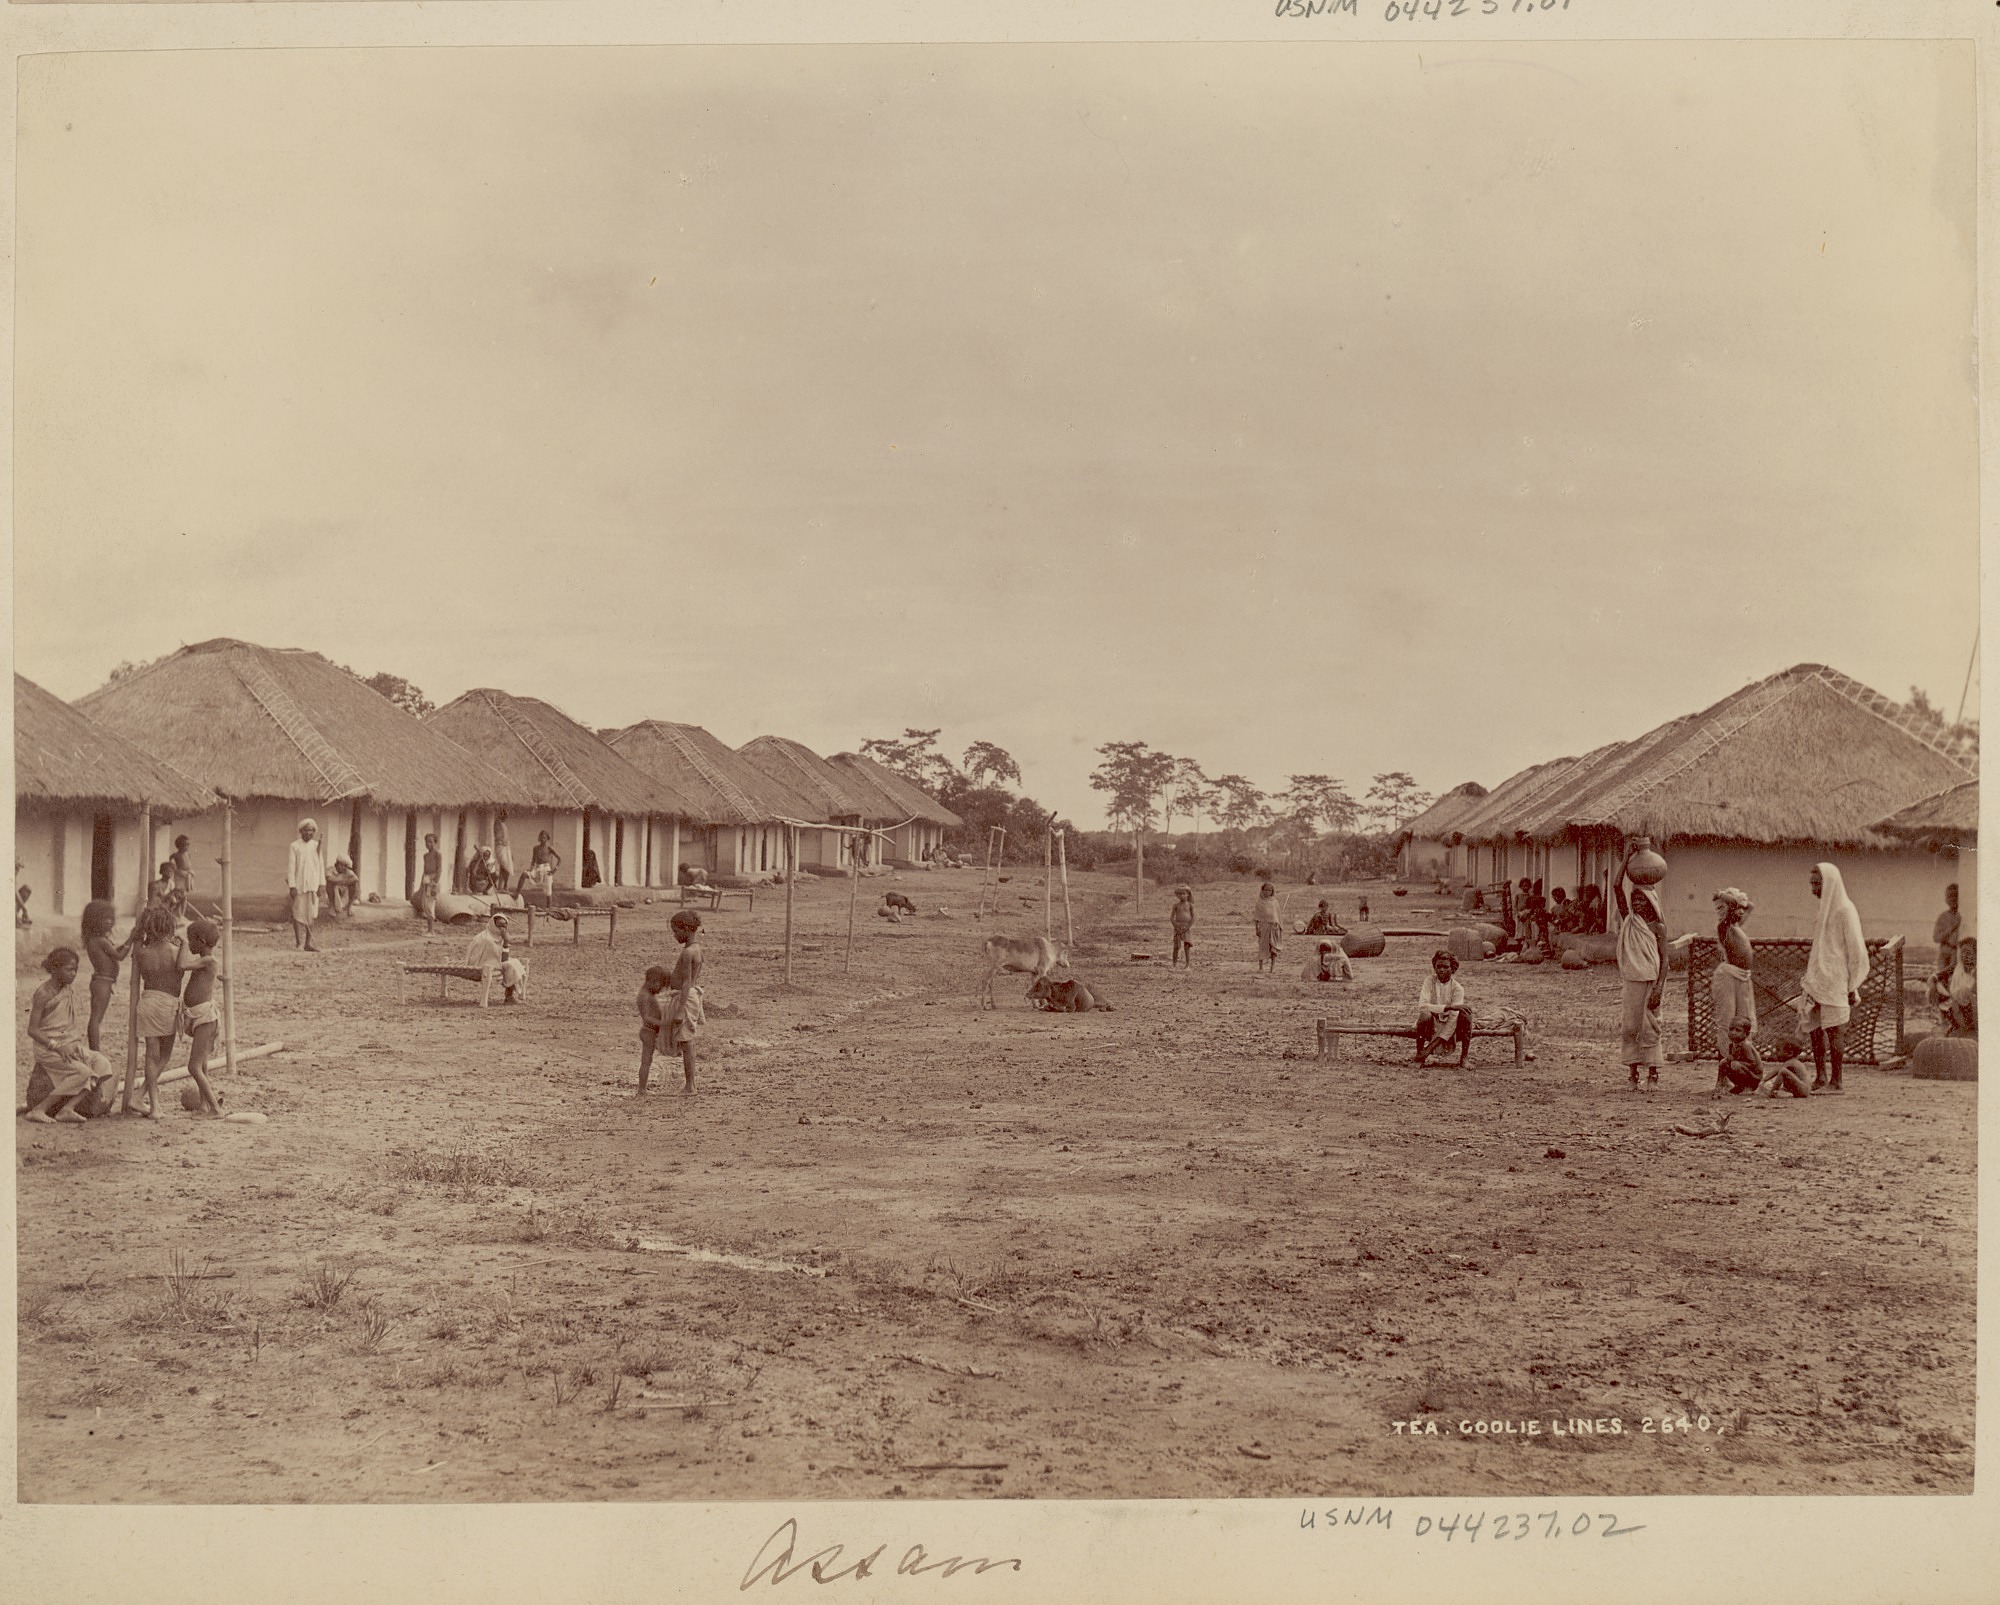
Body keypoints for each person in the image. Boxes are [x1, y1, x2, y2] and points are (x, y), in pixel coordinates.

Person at [21, 948, 114, 1124]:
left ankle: (67, 1109)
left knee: (102, 1064)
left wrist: (72, 1045)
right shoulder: (43, 993)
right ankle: (39, 1109)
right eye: (69, 969)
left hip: (70, 1046)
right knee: (84, 1073)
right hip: (48, 1048)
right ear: (55, 969)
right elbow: (32, 1030)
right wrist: (57, 1046)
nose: (73, 974)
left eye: (75, 970)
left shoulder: (66, 988)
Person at [1801, 861, 1868, 1094]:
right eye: (1811, 884)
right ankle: (1820, 1076)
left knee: (1834, 1030)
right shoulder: (1824, 909)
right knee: (1815, 1029)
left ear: (1829, 883)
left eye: (1817, 884)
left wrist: (1853, 984)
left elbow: (1856, 950)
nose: (1813, 889)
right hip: (1817, 978)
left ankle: (1836, 1081)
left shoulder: (1845, 910)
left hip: (1836, 980)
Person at [1614, 844, 1668, 1091]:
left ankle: (1653, 1074)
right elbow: (1616, 886)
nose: (1637, 903)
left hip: (1651, 981)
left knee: (1651, 1026)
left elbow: (1664, 960)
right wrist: (1627, 858)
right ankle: (1633, 1073)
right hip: (1632, 980)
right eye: (1634, 899)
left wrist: (1658, 988)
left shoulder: (1658, 927)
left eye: (1641, 899)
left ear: (1652, 903)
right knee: (1631, 1026)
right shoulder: (1630, 920)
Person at [129, 904, 186, 1117]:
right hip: (167, 1004)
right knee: (165, 1055)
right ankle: (148, 1102)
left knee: (150, 1056)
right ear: (169, 926)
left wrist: (138, 935)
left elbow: (136, 946)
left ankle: (149, 1102)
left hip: (147, 1002)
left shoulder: (141, 952)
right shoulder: (176, 951)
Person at [177, 921, 225, 1116]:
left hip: (205, 1019)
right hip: (201, 1017)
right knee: (202, 1065)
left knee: (193, 1067)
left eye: (191, 941)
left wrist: (181, 947)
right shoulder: (205, 961)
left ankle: (215, 1108)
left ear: (202, 941)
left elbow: (181, 965)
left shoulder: (209, 961)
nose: (189, 945)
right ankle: (205, 1105)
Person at [80, 898, 133, 1053]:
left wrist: (128, 941)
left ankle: (94, 1050)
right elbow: (119, 956)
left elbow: (115, 951)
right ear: (95, 921)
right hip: (103, 982)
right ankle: (95, 1051)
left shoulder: (97, 940)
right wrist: (131, 938)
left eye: (111, 918)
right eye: (105, 919)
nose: (110, 922)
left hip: (101, 981)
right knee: (96, 1018)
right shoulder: (100, 941)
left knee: (96, 1017)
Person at [1709, 887, 1756, 1059]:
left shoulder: (1737, 926)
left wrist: (1739, 900)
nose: (1741, 912)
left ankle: (1741, 1061)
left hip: (1742, 977)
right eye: (1737, 909)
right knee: (1727, 1021)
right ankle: (1725, 1067)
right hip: (1728, 976)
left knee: (1744, 1021)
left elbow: (1749, 905)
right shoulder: (1724, 926)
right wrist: (1722, 895)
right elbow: (1734, 904)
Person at [664, 911, 705, 1094]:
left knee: (687, 1041)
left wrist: (680, 1010)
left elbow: (688, 981)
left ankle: (690, 1085)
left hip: (686, 999)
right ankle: (690, 1084)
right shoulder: (695, 949)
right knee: (685, 1041)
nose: (674, 936)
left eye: (675, 931)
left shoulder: (689, 952)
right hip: (687, 996)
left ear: (686, 930)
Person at [1415, 949, 1471, 1066]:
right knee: (1425, 1014)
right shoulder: (1429, 981)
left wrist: (1429, 1049)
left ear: (1453, 969)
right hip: (1431, 1023)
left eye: (1445, 967)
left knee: (1466, 1016)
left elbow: (1452, 1022)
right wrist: (1448, 1007)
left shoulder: (1457, 988)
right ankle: (1419, 1054)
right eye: (1438, 966)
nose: (1441, 970)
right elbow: (1422, 1006)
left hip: (1451, 1028)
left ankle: (1464, 1058)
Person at [466, 912, 526, 1004]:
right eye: (499, 926)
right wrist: (506, 942)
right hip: (480, 965)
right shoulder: (487, 939)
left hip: (491, 963)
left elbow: (501, 958)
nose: (502, 929)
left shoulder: (497, 937)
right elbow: (503, 960)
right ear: (493, 925)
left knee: (515, 962)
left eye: (504, 927)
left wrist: (505, 942)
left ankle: (510, 995)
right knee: (510, 965)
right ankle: (509, 996)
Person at [287, 818, 324, 951]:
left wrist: (321, 884)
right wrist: (292, 886)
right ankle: (298, 943)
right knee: (298, 913)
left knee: (312, 914)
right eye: (306, 830)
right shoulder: (294, 846)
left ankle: (308, 943)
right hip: (299, 886)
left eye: (311, 830)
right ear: (301, 831)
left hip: (313, 886)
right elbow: (291, 867)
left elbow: (320, 865)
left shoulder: (316, 846)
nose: (309, 833)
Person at [635, 965, 671, 1093]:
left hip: (650, 1031)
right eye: (660, 986)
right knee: (646, 1061)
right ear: (653, 981)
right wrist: (663, 1023)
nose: (660, 991)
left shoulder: (648, 994)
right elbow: (646, 1017)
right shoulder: (644, 996)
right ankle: (642, 1089)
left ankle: (643, 1087)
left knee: (647, 1060)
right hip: (648, 1032)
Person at [1931, 883, 1961, 1015]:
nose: (1952, 899)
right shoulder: (1943, 917)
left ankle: (1955, 1014)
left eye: (1955, 896)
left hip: (1957, 953)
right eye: (1949, 897)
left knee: (1955, 983)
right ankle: (1942, 1014)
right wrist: (1948, 931)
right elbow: (1936, 938)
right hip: (1945, 952)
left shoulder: (1963, 916)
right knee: (1941, 983)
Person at [1713, 1018, 1764, 1096]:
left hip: (1754, 1077)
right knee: (1723, 1062)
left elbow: (1753, 1064)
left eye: (1738, 1030)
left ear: (1746, 1034)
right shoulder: (1732, 1045)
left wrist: (1736, 1061)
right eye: (1731, 1029)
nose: (1733, 1032)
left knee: (1735, 1064)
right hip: (1743, 1070)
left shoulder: (1745, 1045)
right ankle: (1721, 1085)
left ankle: (1748, 1087)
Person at [1756, 1033, 1813, 1100]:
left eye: (1778, 1050)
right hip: (1805, 1089)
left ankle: (1773, 1092)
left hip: (1803, 1089)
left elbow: (1776, 1071)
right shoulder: (1795, 1062)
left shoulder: (1791, 1062)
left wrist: (1763, 1080)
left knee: (1783, 1071)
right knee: (1786, 1072)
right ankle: (1785, 1090)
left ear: (1789, 1053)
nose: (1775, 1052)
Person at [1940, 937, 1977, 1038]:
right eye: (1963, 952)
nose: (1965, 956)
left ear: (1975, 955)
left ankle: (1969, 1026)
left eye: (1969, 953)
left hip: (1972, 1006)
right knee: (1941, 993)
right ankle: (1955, 1025)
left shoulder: (1977, 971)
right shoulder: (1957, 967)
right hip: (1956, 1003)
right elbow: (1937, 976)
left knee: (1963, 992)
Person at [1252, 883, 1283, 973]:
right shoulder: (1259, 902)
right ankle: (1261, 967)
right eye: (1266, 890)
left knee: (1273, 947)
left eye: (1270, 890)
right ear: (1262, 890)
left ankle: (1272, 967)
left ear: (1272, 891)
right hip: (1263, 927)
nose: (1268, 892)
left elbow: (1278, 916)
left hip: (1274, 927)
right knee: (1262, 946)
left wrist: (1279, 926)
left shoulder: (1275, 902)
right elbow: (1257, 917)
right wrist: (1257, 929)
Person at [417, 833, 444, 933]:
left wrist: (434, 884)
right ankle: (429, 929)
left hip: (433, 880)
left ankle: (431, 931)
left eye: (430, 842)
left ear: (435, 843)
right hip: (426, 879)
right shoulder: (425, 856)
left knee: (430, 905)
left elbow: (439, 869)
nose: (428, 844)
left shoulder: (438, 854)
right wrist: (421, 885)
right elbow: (425, 871)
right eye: (426, 842)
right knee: (425, 904)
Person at [1169, 885, 1195, 968]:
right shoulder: (1176, 905)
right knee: (1176, 946)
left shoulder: (1190, 905)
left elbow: (1194, 917)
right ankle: (1174, 964)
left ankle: (1187, 964)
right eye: (1179, 894)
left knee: (1187, 946)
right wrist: (1175, 925)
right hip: (1177, 928)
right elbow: (1172, 917)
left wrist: (1188, 927)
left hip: (1186, 928)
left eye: (1183, 893)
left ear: (1188, 894)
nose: (1181, 896)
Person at [169, 835, 195, 904]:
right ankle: (177, 910)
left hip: (187, 876)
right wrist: (180, 872)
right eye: (185, 845)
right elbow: (172, 866)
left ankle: (182, 912)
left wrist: (190, 873)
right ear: (179, 846)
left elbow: (189, 865)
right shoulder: (176, 855)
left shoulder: (188, 854)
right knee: (179, 892)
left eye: (188, 845)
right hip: (180, 876)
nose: (187, 847)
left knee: (184, 894)